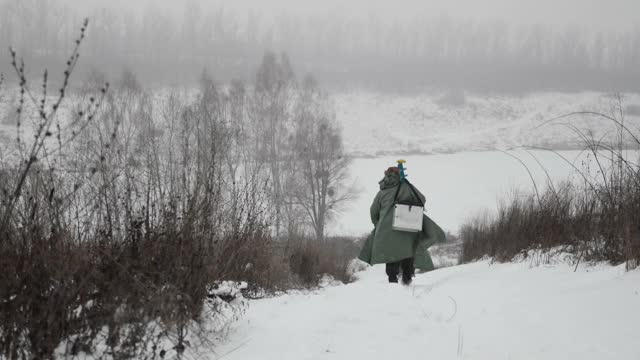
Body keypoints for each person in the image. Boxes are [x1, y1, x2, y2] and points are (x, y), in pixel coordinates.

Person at [358, 164, 446, 285]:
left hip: (386, 230)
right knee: (407, 251)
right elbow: (422, 199)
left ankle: (392, 281)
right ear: (399, 175)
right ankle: (407, 281)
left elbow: (373, 211)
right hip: (407, 225)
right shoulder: (407, 187)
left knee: (391, 254)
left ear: (386, 175)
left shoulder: (382, 192)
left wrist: (379, 225)